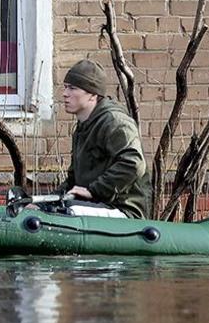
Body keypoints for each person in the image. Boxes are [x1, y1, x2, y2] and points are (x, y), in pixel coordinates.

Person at [57, 59, 152, 219]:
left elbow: (133, 163)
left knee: (67, 213)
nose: (65, 94)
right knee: (51, 211)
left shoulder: (114, 122)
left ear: (93, 94)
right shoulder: (83, 126)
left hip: (124, 211)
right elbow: (73, 183)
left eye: (73, 88)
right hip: (97, 205)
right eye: (65, 87)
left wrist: (94, 191)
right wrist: (42, 202)